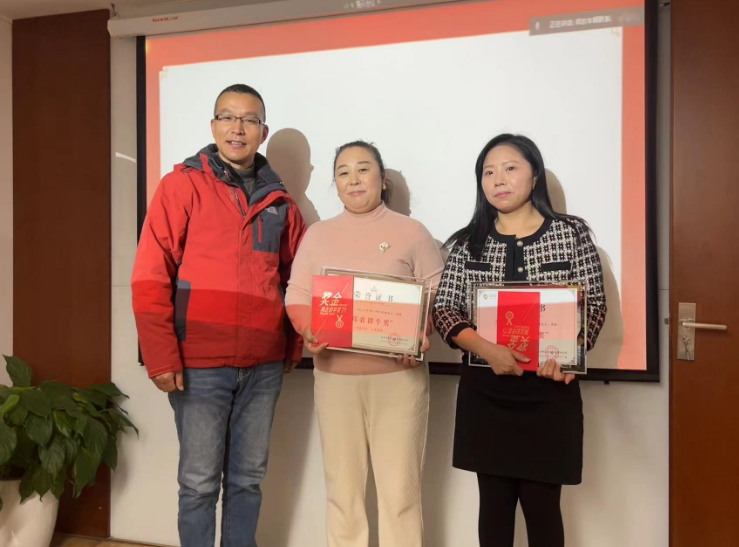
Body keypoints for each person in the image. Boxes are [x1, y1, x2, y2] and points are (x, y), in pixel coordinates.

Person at [131, 84, 306, 547]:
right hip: (199, 364)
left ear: (262, 131)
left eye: (249, 120)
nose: (237, 128)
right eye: (228, 117)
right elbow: (150, 276)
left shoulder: (281, 203)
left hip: (263, 365)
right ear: (213, 126)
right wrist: (160, 356)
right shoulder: (180, 186)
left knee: (248, 481)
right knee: (199, 485)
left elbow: (297, 281)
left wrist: (291, 344)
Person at [433, 134, 607, 547]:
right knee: (493, 514)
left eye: (510, 168)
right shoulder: (467, 242)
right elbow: (445, 310)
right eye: (488, 172)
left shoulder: (571, 233)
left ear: (534, 175)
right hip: (486, 393)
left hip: (549, 392)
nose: (498, 180)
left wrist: (569, 357)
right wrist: (487, 350)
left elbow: (594, 306)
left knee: (544, 512)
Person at [285, 141, 444, 547]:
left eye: (363, 169)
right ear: (335, 183)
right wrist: (308, 329)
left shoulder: (412, 232)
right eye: (343, 172)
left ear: (382, 179)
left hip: (399, 381)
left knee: (400, 495)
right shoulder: (318, 235)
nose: (353, 179)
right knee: (343, 493)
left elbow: (437, 293)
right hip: (335, 379)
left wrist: (419, 331)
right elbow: (297, 295)